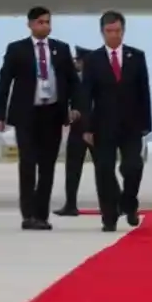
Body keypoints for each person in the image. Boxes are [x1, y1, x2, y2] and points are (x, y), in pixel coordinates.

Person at [0, 6, 80, 230]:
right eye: (41, 22)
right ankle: (28, 214)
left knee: (47, 165)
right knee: (28, 163)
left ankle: (42, 214)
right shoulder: (17, 50)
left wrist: (75, 107)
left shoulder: (61, 49)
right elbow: (5, 82)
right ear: (30, 24)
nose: (45, 26)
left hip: (52, 113)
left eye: (48, 22)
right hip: (26, 114)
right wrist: (0, 114)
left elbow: (73, 81)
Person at [80, 10, 151, 231]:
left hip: (132, 125)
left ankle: (129, 203)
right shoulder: (92, 60)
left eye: (118, 30)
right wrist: (86, 127)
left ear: (124, 30)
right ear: (102, 32)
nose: (114, 35)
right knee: (104, 170)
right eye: (109, 31)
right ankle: (109, 216)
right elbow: (86, 95)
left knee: (133, 166)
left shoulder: (136, 56)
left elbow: (144, 91)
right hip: (102, 125)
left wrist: (146, 123)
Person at [55, 46, 93, 217]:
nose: (75, 63)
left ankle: (112, 203)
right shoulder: (73, 81)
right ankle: (70, 204)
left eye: (78, 60)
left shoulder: (95, 81)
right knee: (72, 169)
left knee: (103, 169)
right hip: (77, 129)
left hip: (95, 130)